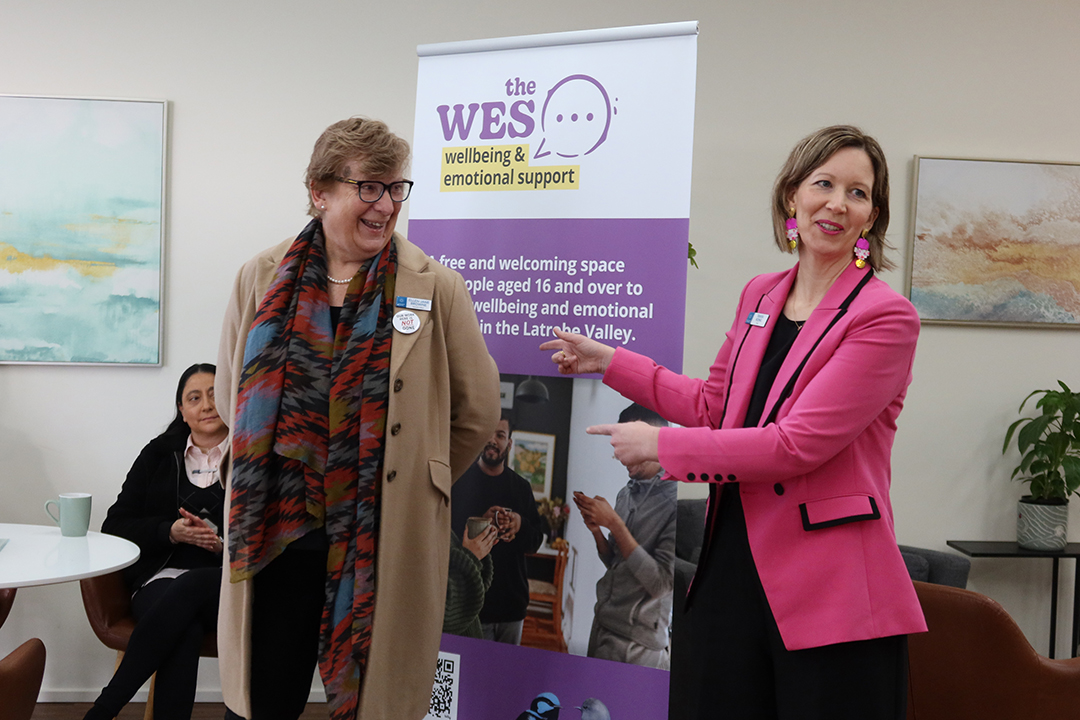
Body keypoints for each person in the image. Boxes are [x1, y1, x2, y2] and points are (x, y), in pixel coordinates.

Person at [542, 125, 926, 719]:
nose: (838, 203)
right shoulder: (761, 295)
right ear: (791, 197)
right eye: (823, 184)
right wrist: (612, 363)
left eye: (858, 192)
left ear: (872, 216)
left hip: (832, 590)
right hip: (732, 570)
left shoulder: (886, 317)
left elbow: (795, 444)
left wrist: (664, 449)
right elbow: (716, 407)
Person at [215, 117, 500, 720]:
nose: (386, 205)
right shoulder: (260, 277)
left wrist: (414, 470)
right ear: (321, 191)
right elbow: (228, 395)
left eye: (397, 188)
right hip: (280, 522)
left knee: (379, 696)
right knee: (271, 687)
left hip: (383, 522)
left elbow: (476, 412)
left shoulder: (436, 286)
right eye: (370, 188)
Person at [85, 363, 228, 720]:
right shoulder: (158, 454)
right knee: (183, 625)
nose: (207, 405)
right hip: (159, 581)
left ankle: (104, 709)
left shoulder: (254, 455)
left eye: (214, 393)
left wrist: (222, 547)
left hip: (227, 585)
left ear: (231, 397)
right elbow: (116, 524)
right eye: (194, 398)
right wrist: (169, 531)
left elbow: (275, 531)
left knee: (192, 586)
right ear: (182, 410)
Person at [574, 403, 675, 669]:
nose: (618, 456)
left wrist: (615, 524)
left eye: (623, 446)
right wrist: (597, 529)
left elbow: (661, 584)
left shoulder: (678, 502)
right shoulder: (626, 492)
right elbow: (614, 562)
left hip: (638, 646)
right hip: (602, 624)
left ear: (649, 436)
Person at [449, 411, 544, 644]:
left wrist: (519, 524)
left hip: (513, 606)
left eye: (500, 435)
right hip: (472, 605)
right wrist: (480, 522)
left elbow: (535, 542)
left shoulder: (521, 487)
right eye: (488, 434)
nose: (493, 440)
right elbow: (445, 538)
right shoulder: (459, 481)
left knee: (505, 677)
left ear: (509, 443)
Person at [442, 523, 498, 639]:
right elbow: (445, 614)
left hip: (464, 644)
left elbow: (478, 584)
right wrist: (472, 556)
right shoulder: (419, 523)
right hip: (452, 648)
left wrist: (478, 550)